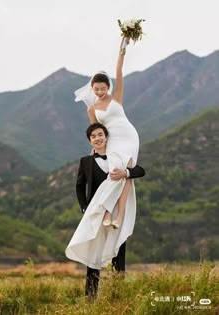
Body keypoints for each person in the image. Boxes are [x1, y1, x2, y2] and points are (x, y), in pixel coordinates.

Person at [66, 37, 140, 270]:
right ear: (92, 89)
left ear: (108, 86)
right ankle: (107, 213)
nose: (100, 92)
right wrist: (95, 148)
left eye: (103, 88)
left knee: (124, 173)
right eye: (96, 89)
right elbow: (96, 131)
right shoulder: (91, 108)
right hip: (112, 141)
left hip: (128, 136)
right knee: (113, 173)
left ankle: (117, 216)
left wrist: (123, 44)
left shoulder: (116, 97)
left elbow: (119, 68)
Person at [76, 123, 145, 299]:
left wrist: (125, 173)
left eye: (100, 134)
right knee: (94, 254)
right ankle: (90, 298)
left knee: (119, 252)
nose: (97, 138)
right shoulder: (85, 161)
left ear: (106, 137)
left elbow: (140, 170)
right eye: (93, 136)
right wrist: (85, 208)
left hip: (117, 213)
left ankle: (118, 295)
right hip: (96, 213)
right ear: (90, 141)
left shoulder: (119, 157)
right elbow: (79, 186)